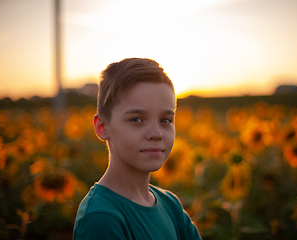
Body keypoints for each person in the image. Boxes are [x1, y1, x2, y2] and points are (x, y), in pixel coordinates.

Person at [73, 58, 201, 239]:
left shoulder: (171, 205)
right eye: (136, 119)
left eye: (166, 120)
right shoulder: (102, 218)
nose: (156, 133)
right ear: (102, 127)